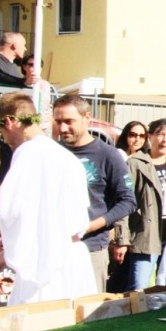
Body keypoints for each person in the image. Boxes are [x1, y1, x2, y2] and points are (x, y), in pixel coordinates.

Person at [0, 93, 94, 304]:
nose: (3, 139)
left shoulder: (27, 153)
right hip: (73, 257)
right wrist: (6, 257)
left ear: (9, 122)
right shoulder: (66, 156)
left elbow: (9, 210)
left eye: (0, 131)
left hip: (45, 263)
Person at [52, 93, 136, 292]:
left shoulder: (108, 155)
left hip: (92, 248)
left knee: (88, 307)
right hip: (54, 246)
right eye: (58, 122)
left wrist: (91, 226)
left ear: (87, 118)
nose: (63, 128)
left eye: (69, 121)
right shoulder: (52, 153)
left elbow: (128, 201)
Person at [117, 118, 166, 291]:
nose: (165, 140)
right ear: (150, 137)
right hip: (146, 236)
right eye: (160, 134)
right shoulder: (136, 163)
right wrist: (122, 239)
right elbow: (124, 202)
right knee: (139, 289)